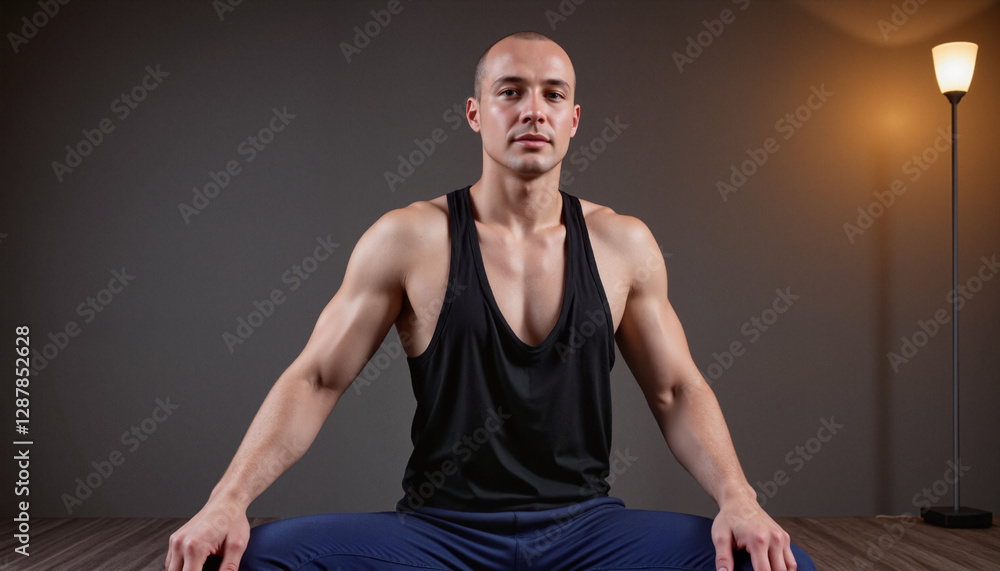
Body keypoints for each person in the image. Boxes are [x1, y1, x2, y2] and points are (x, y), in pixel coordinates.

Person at [165, 30, 815, 571]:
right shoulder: (409, 238)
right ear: (476, 113)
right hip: (438, 534)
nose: (533, 110)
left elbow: (677, 390)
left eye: (552, 95)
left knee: (779, 563)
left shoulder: (622, 243)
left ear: (573, 120)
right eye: (511, 92)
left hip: (584, 532)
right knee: (241, 560)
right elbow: (315, 377)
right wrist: (227, 499)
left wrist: (741, 498)